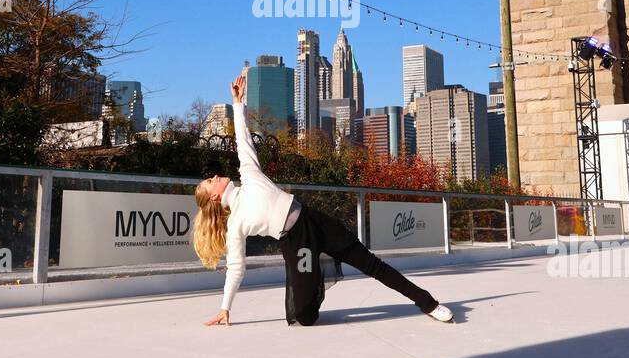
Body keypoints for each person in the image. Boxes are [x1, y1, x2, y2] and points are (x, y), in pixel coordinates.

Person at [192, 72, 454, 327]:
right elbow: (236, 268)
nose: (214, 176)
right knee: (305, 317)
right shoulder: (235, 222)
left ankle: (428, 303)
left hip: (312, 221)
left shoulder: (249, 174)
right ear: (214, 197)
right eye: (210, 181)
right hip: (296, 244)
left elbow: (243, 140)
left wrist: (238, 103)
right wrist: (225, 308)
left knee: (372, 264)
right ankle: (317, 265)